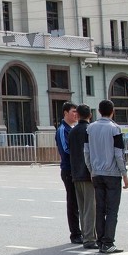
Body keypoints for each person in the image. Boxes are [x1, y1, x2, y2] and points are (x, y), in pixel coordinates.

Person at [84, 100, 128, 254]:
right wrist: (124, 175)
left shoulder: (90, 128)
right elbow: (119, 154)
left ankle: (100, 241)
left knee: (100, 209)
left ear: (99, 111)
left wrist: (91, 170)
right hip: (112, 174)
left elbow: (87, 152)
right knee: (112, 210)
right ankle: (108, 242)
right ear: (112, 111)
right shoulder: (115, 129)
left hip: (96, 173)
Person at [66, 104, 97, 249]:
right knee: (90, 208)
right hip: (88, 174)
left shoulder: (72, 131)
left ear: (77, 115)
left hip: (76, 173)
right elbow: (91, 153)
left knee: (83, 207)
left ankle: (86, 235)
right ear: (90, 115)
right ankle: (90, 238)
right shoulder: (90, 130)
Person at [55, 103, 82, 244]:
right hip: (68, 169)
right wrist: (81, 155)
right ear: (65, 113)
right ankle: (75, 233)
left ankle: (82, 231)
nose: (75, 114)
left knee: (80, 201)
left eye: (77, 112)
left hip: (77, 169)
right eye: (73, 112)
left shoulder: (74, 128)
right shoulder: (62, 130)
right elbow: (65, 149)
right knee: (73, 202)